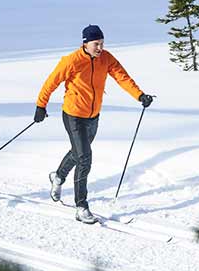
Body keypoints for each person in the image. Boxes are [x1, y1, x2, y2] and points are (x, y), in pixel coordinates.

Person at [34, 25, 153, 224]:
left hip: (93, 116)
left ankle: (58, 177)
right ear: (85, 43)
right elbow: (50, 82)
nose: (100, 47)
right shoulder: (71, 61)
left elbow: (122, 77)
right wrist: (40, 106)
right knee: (85, 159)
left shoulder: (106, 58)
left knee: (79, 152)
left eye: (102, 43)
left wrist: (139, 95)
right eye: (96, 44)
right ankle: (81, 206)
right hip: (73, 115)